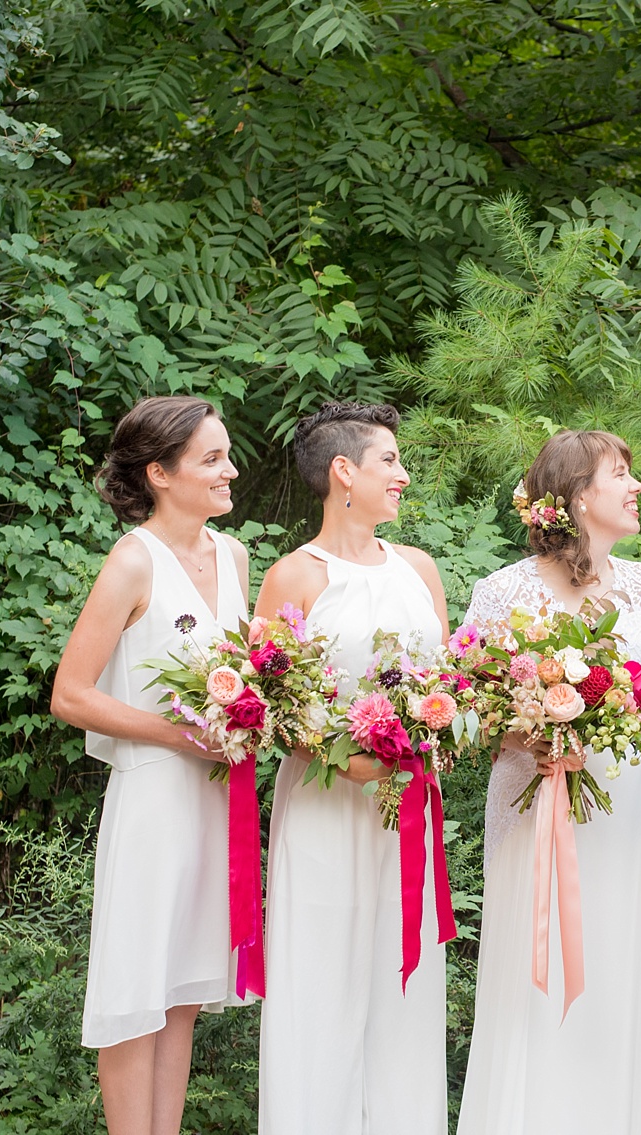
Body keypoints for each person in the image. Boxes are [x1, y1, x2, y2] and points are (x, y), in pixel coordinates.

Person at [457, 430, 641, 1135]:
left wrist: (635, 725)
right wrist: (539, 732)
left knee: (622, 976)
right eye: (622, 474)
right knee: (539, 973)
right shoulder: (505, 590)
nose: (638, 485)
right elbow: (468, 709)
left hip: (628, 809)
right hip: (537, 806)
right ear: (580, 495)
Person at [50, 396, 250, 1135]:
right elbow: (69, 693)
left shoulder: (234, 556)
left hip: (212, 797)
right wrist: (174, 733)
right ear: (161, 473)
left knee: (180, 996)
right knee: (135, 996)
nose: (230, 469)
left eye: (226, 454)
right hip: (152, 801)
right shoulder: (133, 560)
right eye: (212, 458)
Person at [252, 402, 451, 1134]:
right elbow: (270, 704)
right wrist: (348, 755)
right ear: (344, 471)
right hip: (328, 806)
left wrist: (433, 738)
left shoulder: (420, 568)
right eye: (389, 461)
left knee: (405, 994)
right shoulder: (294, 576)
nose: (402, 475)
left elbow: (447, 683)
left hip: (406, 808)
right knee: (322, 988)